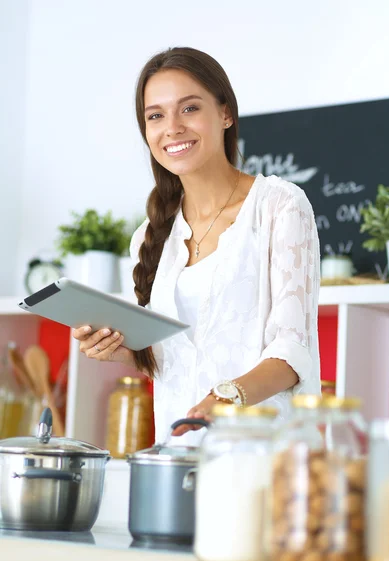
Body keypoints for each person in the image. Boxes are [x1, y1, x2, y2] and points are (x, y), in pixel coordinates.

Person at [73, 47, 321, 446]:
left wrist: (224, 397)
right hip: (179, 453)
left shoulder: (278, 206)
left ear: (226, 114)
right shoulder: (150, 235)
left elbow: (293, 352)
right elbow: (176, 359)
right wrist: (121, 349)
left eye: (188, 108)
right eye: (155, 115)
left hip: (267, 457)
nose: (171, 128)